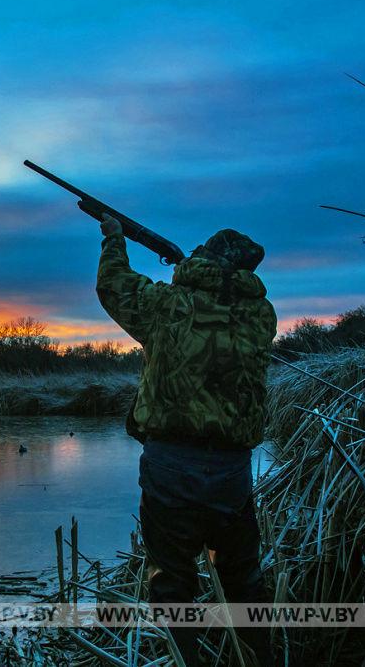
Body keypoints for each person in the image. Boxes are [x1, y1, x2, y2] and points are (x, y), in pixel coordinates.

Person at [96, 213, 277, 665]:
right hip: (233, 470)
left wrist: (115, 239)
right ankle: (259, 657)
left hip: (171, 464)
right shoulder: (259, 316)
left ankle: (186, 659)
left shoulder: (168, 305)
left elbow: (114, 285)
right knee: (243, 580)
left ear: (204, 261)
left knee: (172, 582)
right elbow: (214, 301)